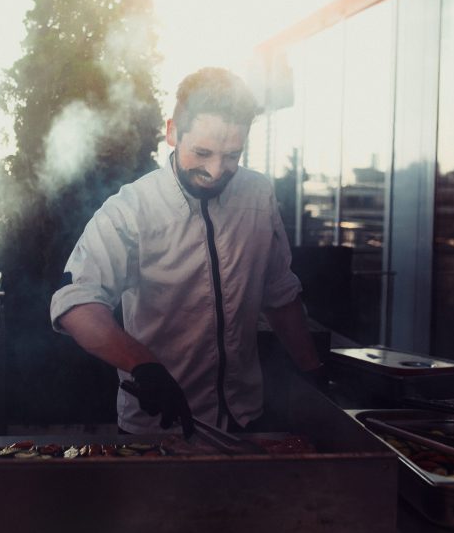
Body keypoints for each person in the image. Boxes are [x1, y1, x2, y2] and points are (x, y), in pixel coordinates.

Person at [50, 67, 324, 436]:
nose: (216, 170)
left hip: (246, 419)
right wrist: (143, 366)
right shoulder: (130, 209)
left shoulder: (259, 195)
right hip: (158, 424)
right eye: (202, 152)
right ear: (172, 132)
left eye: (232, 155)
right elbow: (76, 303)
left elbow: (279, 293)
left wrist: (315, 372)